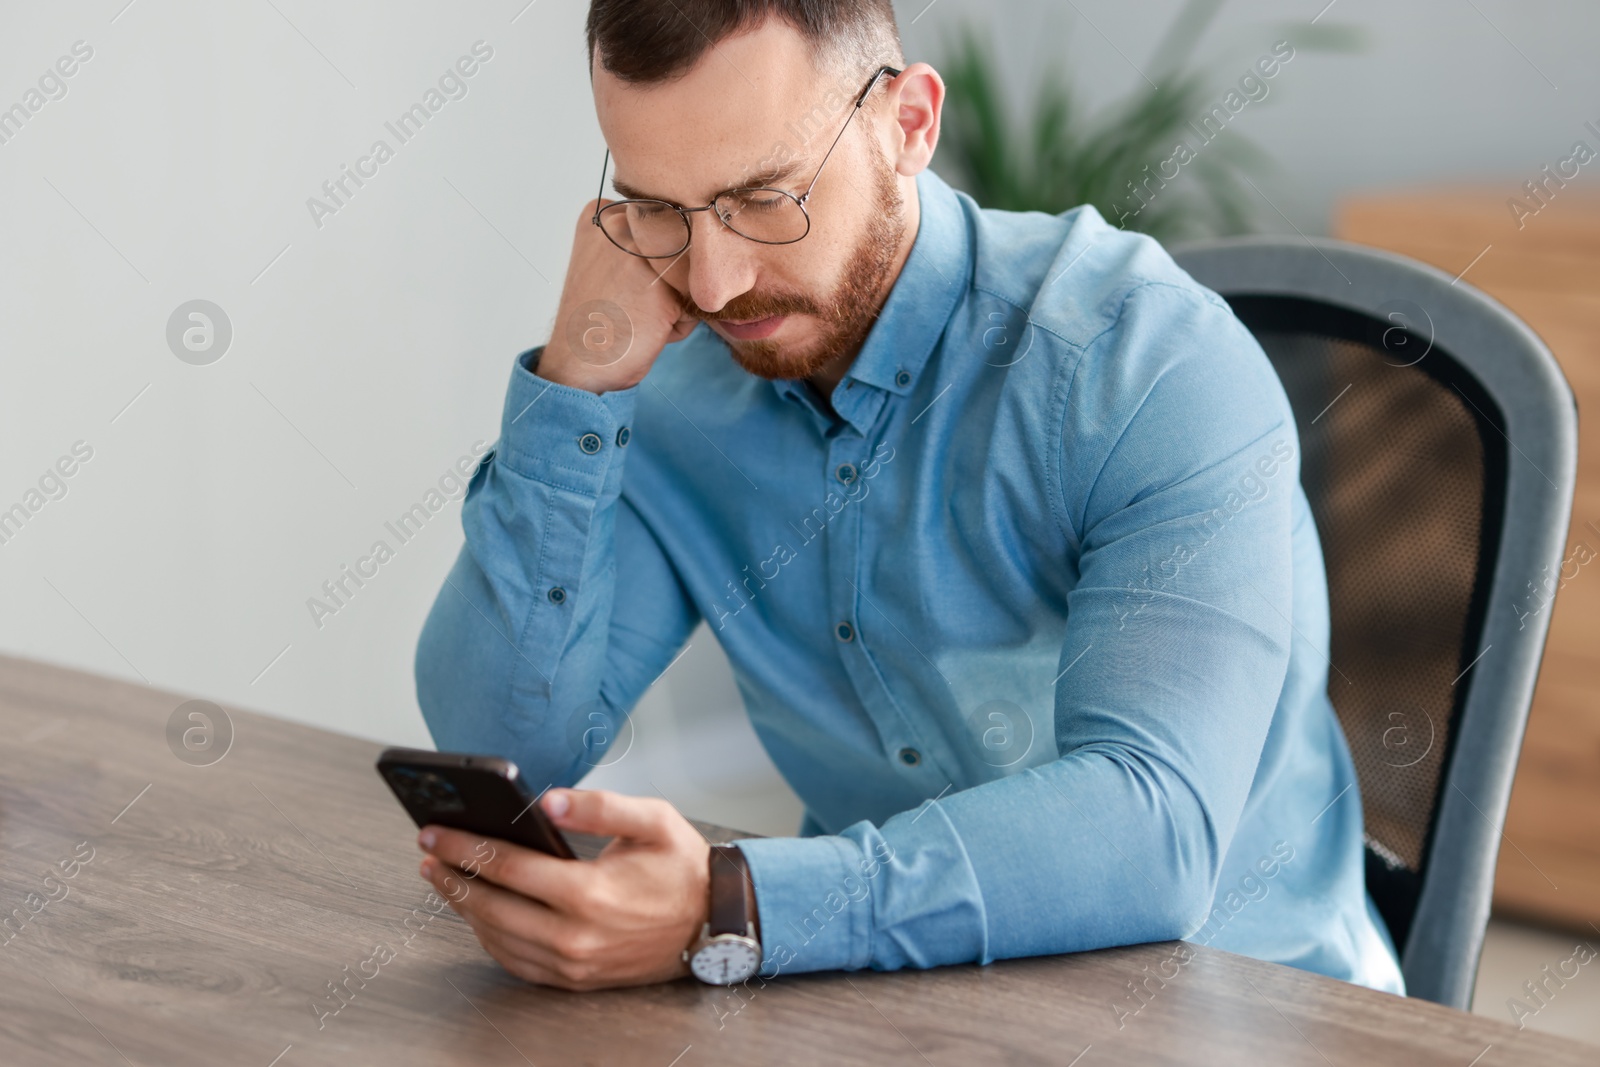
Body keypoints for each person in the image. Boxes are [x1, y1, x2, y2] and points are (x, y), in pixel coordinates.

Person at [412, 0, 1405, 996]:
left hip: (1244, 1001)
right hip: (883, 996)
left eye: (763, 198)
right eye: (660, 211)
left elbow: (1153, 828)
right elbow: (508, 748)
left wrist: (736, 903)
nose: (712, 284)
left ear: (909, 126)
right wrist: (576, 381)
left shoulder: (1147, 364)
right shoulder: (672, 394)